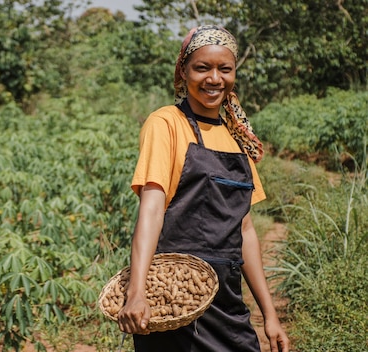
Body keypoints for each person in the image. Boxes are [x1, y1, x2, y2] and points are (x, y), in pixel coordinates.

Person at [117, 25, 290, 352]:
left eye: (225, 69)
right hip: (175, 292)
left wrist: (270, 315)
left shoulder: (236, 139)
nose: (214, 78)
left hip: (226, 295)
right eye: (202, 68)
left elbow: (246, 229)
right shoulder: (166, 123)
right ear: (183, 71)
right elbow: (152, 210)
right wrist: (137, 292)